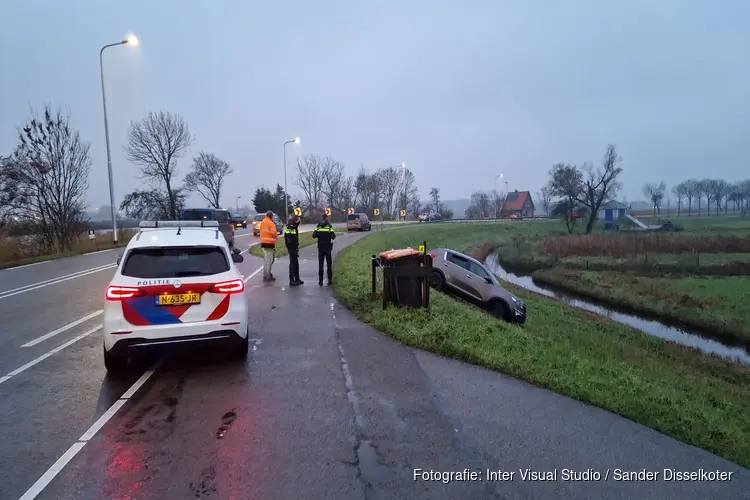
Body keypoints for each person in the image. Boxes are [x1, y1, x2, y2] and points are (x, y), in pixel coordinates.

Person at [312, 213, 336, 286]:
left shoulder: (318, 226)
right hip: (328, 247)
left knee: (321, 265)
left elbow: (313, 235)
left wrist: (319, 234)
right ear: (327, 218)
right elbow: (333, 237)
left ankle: (320, 281)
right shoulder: (329, 226)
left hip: (321, 248)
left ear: (322, 218)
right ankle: (330, 280)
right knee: (329, 265)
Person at [284, 215, 304, 286]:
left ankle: (297, 279)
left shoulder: (292, 228)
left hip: (293, 248)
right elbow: (289, 240)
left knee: (296, 264)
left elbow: (298, 222)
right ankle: (292, 280)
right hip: (292, 248)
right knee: (293, 264)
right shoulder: (291, 228)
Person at [259, 210, 278, 281]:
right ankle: (268, 275)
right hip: (270, 244)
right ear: (271, 216)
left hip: (263, 243)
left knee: (266, 260)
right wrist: (276, 237)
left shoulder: (263, 222)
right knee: (270, 260)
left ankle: (265, 274)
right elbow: (274, 233)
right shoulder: (271, 223)